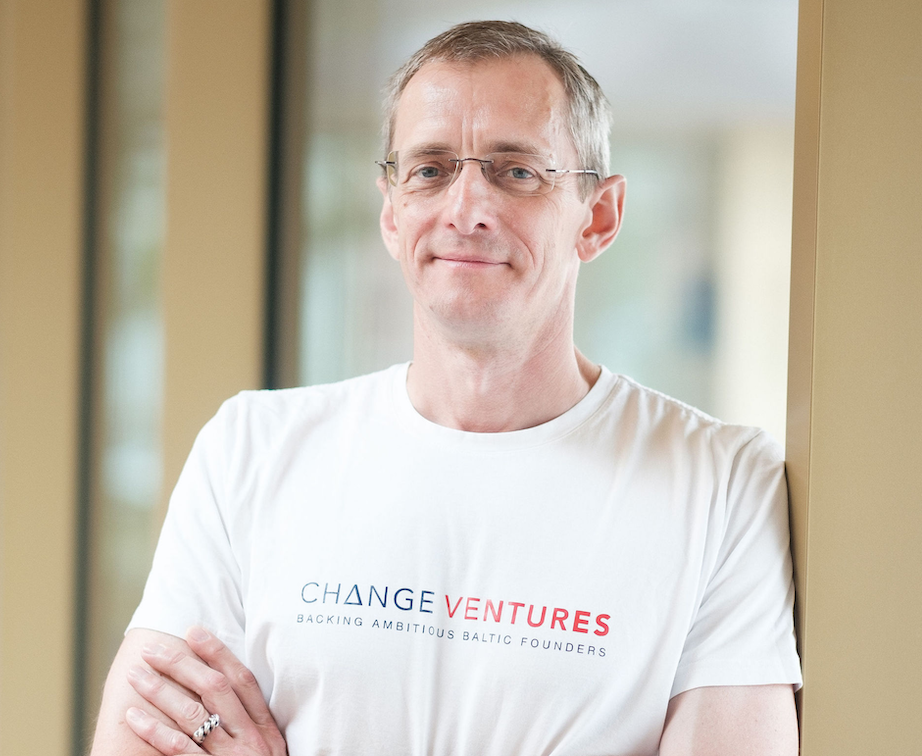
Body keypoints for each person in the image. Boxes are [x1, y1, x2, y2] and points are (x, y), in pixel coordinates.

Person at [90, 20, 802, 756]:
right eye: (430, 170)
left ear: (599, 217)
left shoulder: (721, 484)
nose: (466, 210)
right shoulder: (250, 451)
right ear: (392, 212)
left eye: (516, 171)